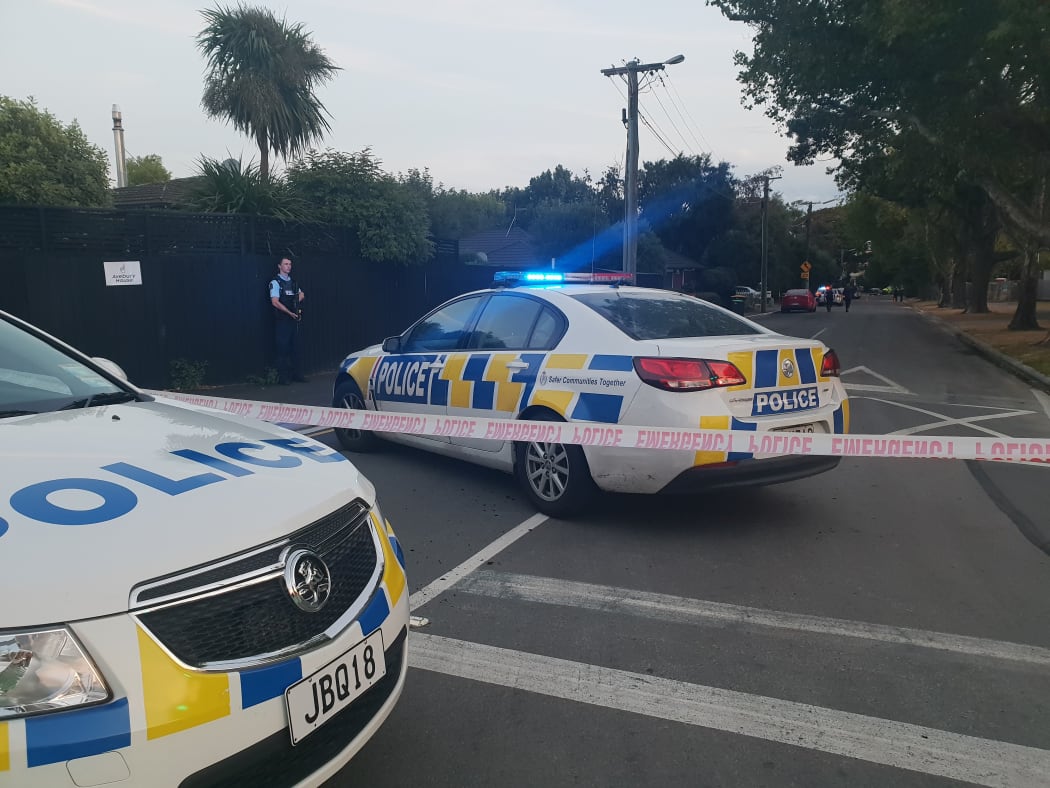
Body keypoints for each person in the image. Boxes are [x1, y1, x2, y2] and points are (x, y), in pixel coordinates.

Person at [269, 256, 306, 384]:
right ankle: (283, 378)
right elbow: (275, 302)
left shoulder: (294, 282)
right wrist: (289, 312)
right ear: (279, 266)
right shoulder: (275, 282)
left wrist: (298, 299)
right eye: (285, 264)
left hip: (293, 320)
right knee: (282, 349)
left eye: (290, 264)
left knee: (296, 348)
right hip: (282, 320)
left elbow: (301, 294)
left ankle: (297, 375)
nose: (288, 266)